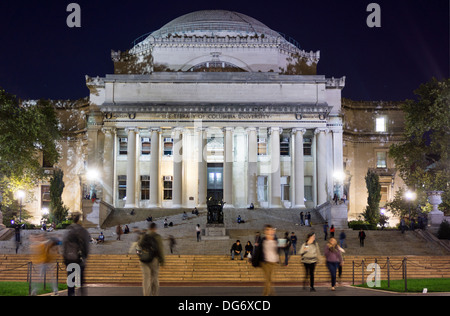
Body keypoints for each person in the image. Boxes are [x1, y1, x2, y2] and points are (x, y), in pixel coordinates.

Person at [62, 213, 90, 296]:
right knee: (81, 281)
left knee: (71, 281)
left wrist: (65, 257)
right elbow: (86, 245)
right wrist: (85, 256)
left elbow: (63, 244)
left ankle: (71, 294)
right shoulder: (82, 231)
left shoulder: (68, 230)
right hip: (79, 258)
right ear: (79, 220)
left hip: (69, 258)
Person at [137, 222, 165, 296]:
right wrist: (162, 261)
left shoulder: (144, 236)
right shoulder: (157, 237)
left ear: (149, 228)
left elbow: (139, 245)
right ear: (155, 229)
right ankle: (154, 294)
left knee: (146, 278)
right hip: (154, 260)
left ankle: (146, 294)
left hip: (143, 260)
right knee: (154, 278)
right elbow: (160, 249)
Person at [252, 224, 279, 296]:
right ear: (265, 231)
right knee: (268, 279)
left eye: (270, 229)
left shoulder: (275, 239)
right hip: (265, 262)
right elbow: (257, 251)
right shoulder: (263, 240)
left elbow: (277, 250)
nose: (269, 231)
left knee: (270, 279)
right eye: (267, 230)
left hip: (273, 262)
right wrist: (254, 261)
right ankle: (266, 294)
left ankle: (271, 293)